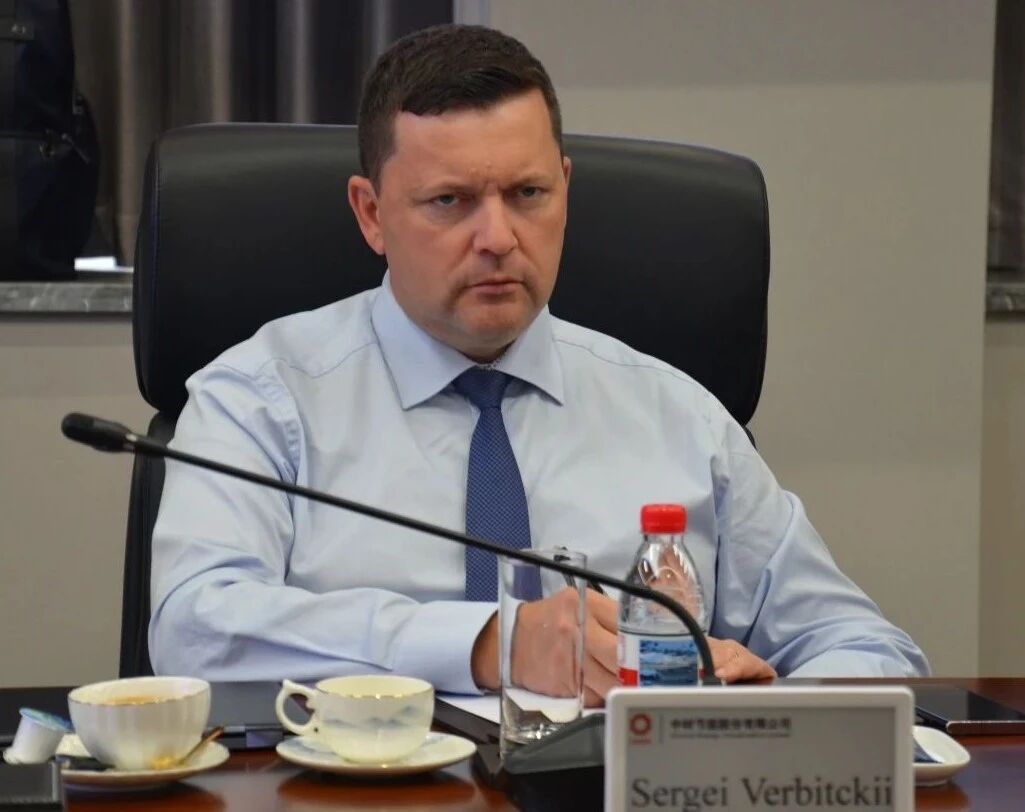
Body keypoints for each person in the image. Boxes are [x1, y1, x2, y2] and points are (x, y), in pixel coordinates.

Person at [149, 24, 929, 702]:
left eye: (527, 193)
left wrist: (762, 710)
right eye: (450, 201)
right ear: (371, 213)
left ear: (565, 189)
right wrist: (489, 644)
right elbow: (194, 630)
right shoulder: (262, 398)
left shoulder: (678, 416)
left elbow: (865, 648)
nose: (497, 238)